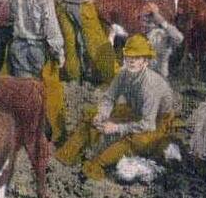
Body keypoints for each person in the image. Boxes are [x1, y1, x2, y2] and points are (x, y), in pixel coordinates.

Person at [54, 34, 177, 181]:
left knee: (136, 139)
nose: (131, 62)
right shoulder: (123, 74)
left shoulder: (150, 86)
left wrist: (117, 128)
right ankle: (66, 156)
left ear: (145, 61)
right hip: (135, 111)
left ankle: (98, 165)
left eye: (136, 58)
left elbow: (148, 124)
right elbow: (109, 98)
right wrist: (102, 114)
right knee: (92, 116)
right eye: (128, 57)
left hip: (158, 122)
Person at [5, 0, 67, 143]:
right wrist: (58, 50)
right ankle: (46, 130)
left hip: (18, 44)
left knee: (23, 91)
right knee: (42, 90)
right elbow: (50, 25)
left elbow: (10, 17)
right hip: (38, 46)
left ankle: (25, 130)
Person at [140, 2, 184, 78]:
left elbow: (179, 38)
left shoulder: (162, 35)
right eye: (142, 18)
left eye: (148, 17)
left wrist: (164, 23)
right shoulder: (139, 36)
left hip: (158, 78)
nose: (144, 22)